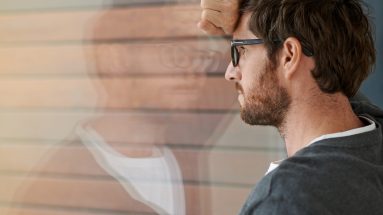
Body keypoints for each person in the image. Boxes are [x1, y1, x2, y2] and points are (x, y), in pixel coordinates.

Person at [200, 0, 383, 214]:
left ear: (289, 55)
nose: (230, 72)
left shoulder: (285, 198)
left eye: (240, 50)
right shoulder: (370, 138)